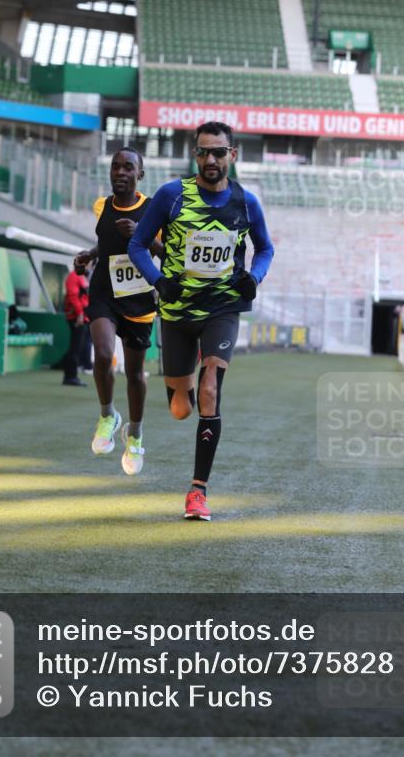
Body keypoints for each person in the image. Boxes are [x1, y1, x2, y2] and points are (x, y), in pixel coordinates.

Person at [129, 121, 274, 520]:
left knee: (212, 388)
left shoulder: (247, 203)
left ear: (233, 155)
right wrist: (159, 282)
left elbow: (265, 249)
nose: (211, 160)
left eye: (218, 152)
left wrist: (254, 278)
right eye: (203, 152)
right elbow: (137, 244)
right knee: (180, 409)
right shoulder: (172, 196)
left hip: (222, 309)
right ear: (195, 154)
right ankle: (182, 386)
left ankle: (198, 491)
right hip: (176, 311)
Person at [74, 148, 164, 475]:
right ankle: (108, 414)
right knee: (101, 353)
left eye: (128, 168)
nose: (120, 173)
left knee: (136, 374)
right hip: (104, 292)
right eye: (115, 167)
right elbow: (107, 244)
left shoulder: (153, 209)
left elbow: (166, 254)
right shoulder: (102, 206)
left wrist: (140, 236)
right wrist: (88, 254)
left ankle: (136, 433)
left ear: (139, 175)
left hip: (139, 298)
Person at [62, 260, 90, 387]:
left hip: (82, 316)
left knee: (78, 346)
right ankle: (70, 376)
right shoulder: (73, 276)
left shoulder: (82, 277)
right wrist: (79, 313)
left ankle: (71, 375)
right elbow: (73, 296)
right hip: (76, 316)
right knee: (75, 346)